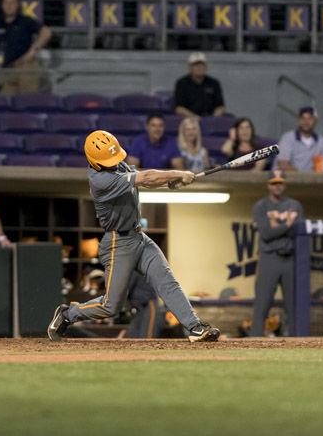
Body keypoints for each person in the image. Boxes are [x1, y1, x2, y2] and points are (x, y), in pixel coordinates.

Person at [48, 130, 220, 343]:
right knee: (111, 306)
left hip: (139, 237)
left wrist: (172, 182)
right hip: (117, 243)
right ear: (96, 162)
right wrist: (178, 173)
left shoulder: (117, 165)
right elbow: (146, 177)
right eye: (109, 160)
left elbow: (146, 180)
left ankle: (194, 327)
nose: (114, 162)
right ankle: (67, 315)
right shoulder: (100, 180)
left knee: (167, 281)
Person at [251, 169, 304, 337]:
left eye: (280, 182)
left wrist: (277, 226)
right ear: (268, 185)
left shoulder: (295, 205)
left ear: (285, 184)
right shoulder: (261, 206)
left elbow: (300, 231)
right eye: (274, 183)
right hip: (269, 258)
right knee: (262, 303)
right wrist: (288, 224)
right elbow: (266, 233)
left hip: (289, 258)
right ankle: (254, 341)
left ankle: (297, 341)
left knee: (293, 304)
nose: (277, 186)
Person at [0, 0, 52, 95]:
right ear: (2, 5)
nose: (9, 6)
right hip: (8, 69)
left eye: (12, 3)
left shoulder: (25, 21)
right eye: (6, 2)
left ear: (18, 5)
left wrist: (33, 51)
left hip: (25, 66)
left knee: (26, 101)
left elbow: (46, 32)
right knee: (7, 104)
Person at [275, 107, 323, 173]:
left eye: (310, 118)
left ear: (315, 121)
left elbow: (321, 168)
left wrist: (308, 179)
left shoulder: (322, 142)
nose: (306, 122)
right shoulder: (287, 138)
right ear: (298, 121)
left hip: (311, 180)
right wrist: (300, 178)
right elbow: (283, 164)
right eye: (303, 118)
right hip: (288, 179)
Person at [174, 52, 226, 118]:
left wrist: (213, 118)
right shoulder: (181, 83)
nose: (199, 67)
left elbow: (220, 107)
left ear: (206, 67)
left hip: (209, 119)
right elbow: (179, 108)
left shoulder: (214, 83)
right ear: (190, 67)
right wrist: (194, 117)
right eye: (195, 65)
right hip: (188, 120)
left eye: (201, 65)